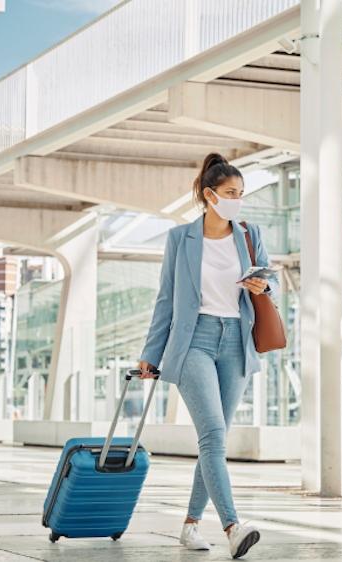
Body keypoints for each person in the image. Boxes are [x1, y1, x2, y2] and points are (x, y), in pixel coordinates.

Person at [138, 153, 278, 559]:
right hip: (194, 340)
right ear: (208, 194)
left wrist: (261, 288)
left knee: (212, 440)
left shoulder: (249, 234)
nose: (238, 200)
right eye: (231, 193)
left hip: (235, 339)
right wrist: (151, 353)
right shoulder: (180, 239)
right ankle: (233, 526)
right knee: (214, 434)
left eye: (241, 194)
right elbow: (166, 298)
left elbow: (271, 286)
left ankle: (190, 525)